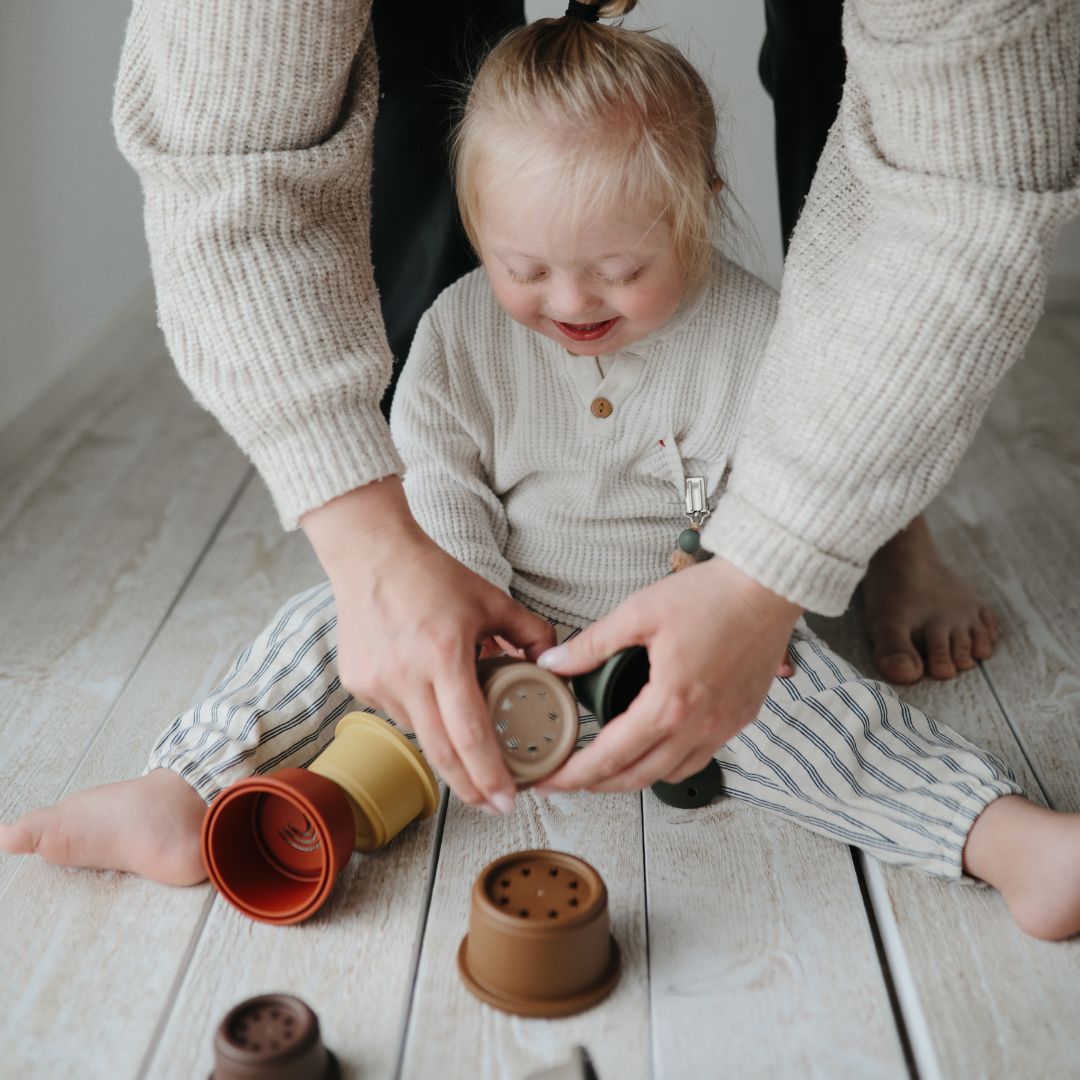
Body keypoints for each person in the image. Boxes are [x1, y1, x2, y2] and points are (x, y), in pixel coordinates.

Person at [5, 2, 1080, 940]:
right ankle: (176, 790)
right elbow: (439, 473)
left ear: (699, 206)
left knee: (821, 713)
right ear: (481, 230)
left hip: (674, 633)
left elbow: (781, 477)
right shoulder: (462, 329)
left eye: (620, 269)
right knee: (314, 633)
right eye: (524, 268)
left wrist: (738, 592)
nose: (569, 302)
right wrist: (447, 607)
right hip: (486, 608)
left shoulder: (763, 332)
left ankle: (1000, 840)